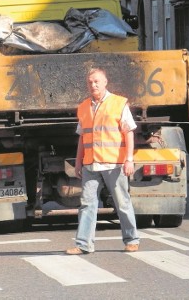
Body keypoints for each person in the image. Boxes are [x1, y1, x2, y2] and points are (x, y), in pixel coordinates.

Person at [66, 68, 140, 255]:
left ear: (105, 82)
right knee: (87, 204)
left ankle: (132, 240)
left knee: (122, 202)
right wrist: (78, 162)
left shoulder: (118, 103)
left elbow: (128, 132)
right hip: (91, 165)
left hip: (114, 164)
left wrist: (129, 159)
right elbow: (82, 138)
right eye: (90, 82)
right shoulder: (83, 107)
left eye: (97, 81)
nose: (93, 85)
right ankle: (84, 244)